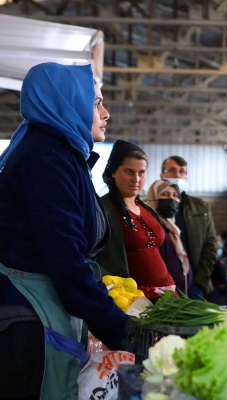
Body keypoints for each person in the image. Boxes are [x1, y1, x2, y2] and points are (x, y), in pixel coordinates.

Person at [0, 63, 133, 398]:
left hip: (35, 312)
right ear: (67, 101)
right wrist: (119, 328)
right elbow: (65, 259)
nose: (106, 112)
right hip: (26, 323)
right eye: (96, 102)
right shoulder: (45, 159)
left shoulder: (58, 153)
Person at [97, 141, 176, 300]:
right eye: (129, 172)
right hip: (133, 300)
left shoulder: (147, 209)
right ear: (113, 172)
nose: (136, 179)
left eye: (141, 172)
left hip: (168, 294)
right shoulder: (103, 209)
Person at [160, 155, 217, 299]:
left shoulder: (200, 207)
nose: (177, 175)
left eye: (182, 172)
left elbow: (211, 245)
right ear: (162, 175)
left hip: (194, 284)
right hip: (162, 285)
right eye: (172, 171)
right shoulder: (150, 206)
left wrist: (200, 283)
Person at [146, 179, 193, 294]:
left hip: (179, 293)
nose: (171, 199)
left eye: (175, 195)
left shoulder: (171, 226)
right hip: (159, 294)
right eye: (164, 194)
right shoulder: (149, 223)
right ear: (153, 196)